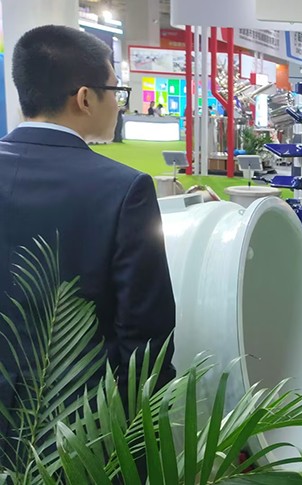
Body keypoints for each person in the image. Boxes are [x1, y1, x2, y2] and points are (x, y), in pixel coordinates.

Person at [0, 25, 175, 461]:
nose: (119, 103)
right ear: (84, 98)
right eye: (116, 90)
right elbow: (144, 336)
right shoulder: (124, 189)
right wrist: (138, 447)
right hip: (78, 437)